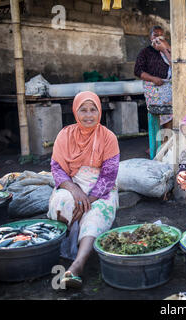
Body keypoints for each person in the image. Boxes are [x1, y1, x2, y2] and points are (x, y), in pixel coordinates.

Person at [48, 91, 120, 288]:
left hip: (100, 190)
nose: (88, 115)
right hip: (73, 184)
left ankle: (78, 264)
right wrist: (75, 191)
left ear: (99, 112)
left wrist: (89, 199)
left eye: (93, 110)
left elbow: (108, 175)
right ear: (75, 112)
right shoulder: (65, 135)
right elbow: (57, 168)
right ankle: (64, 247)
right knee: (63, 201)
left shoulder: (108, 137)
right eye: (83, 110)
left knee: (95, 213)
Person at [134, 25, 173, 130]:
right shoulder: (145, 52)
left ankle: (166, 140)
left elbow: (176, 65)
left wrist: (165, 49)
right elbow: (138, 71)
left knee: (169, 114)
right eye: (155, 35)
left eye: (161, 36)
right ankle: (156, 143)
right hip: (153, 88)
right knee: (155, 114)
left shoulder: (169, 50)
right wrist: (153, 79)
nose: (158, 38)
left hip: (168, 88)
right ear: (150, 37)